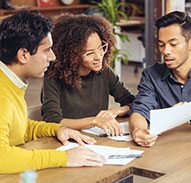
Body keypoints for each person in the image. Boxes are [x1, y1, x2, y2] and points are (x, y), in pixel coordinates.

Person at [0, 10, 105, 174]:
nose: (53, 57)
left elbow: (16, 127)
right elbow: (1, 159)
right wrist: (65, 159)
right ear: (23, 54)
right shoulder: (2, 95)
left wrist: (57, 129)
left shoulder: (10, 82)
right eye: (46, 50)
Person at [41, 13, 135, 137]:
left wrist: (116, 111)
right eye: (89, 53)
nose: (99, 57)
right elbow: (52, 120)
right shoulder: (53, 75)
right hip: (67, 140)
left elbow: (133, 102)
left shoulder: (104, 71)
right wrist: (94, 121)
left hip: (96, 139)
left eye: (101, 48)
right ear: (72, 55)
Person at [129, 11, 191, 147]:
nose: (166, 51)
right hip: (165, 152)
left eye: (173, 44)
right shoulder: (151, 75)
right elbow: (141, 108)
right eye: (162, 45)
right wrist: (138, 130)